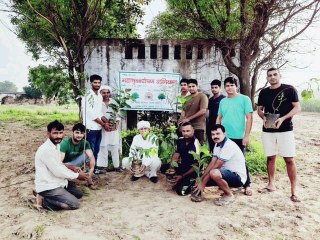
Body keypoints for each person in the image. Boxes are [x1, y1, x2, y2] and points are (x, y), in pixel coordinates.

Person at [257, 67, 301, 202]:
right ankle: (271, 185)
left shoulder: (289, 89)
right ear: (267, 78)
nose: (272, 77)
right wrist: (263, 118)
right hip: (268, 130)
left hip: (286, 129)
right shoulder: (263, 92)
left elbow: (297, 108)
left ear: (280, 75)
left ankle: (294, 191)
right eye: (269, 75)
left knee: (289, 159)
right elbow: (259, 110)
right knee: (270, 158)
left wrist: (283, 118)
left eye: (275, 74)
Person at [34, 120, 88, 211]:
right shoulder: (46, 150)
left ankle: (46, 195)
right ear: (48, 134)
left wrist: (71, 167)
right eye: (55, 133)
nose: (58, 136)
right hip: (49, 185)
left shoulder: (57, 145)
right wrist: (77, 176)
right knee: (75, 204)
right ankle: (44, 200)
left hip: (58, 181)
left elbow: (58, 164)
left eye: (60, 133)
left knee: (79, 194)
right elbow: (58, 171)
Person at [193, 124, 247, 206]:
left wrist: (203, 183)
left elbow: (216, 166)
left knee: (214, 173)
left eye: (218, 134)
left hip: (237, 177)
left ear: (224, 134)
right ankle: (200, 190)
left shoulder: (228, 145)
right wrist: (201, 179)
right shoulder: (217, 145)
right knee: (202, 178)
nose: (215, 136)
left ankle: (229, 194)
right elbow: (212, 163)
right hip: (225, 173)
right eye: (213, 134)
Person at [216, 76, 253, 196]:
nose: (229, 87)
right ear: (224, 87)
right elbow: (219, 117)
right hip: (225, 137)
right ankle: (226, 184)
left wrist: (246, 136)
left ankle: (247, 184)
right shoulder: (223, 101)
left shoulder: (244, 99)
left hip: (238, 136)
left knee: (241, 160)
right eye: (227, 85)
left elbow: (249, 118)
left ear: (236, 86)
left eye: (232, 85)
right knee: (224, 161)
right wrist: (217, 132)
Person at [161, 122, 200, 195]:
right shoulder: (181, 140)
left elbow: (196, 165)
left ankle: (191, 182)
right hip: (182, 166)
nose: (185, 133)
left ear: (193, 130)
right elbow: (176, 155)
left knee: (181, 192)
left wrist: (182, 176)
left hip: (191, 171)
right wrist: (172, 168)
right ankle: (177, 178)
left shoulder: (196, 144)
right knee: (163, 167)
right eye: (183, 131)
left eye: (188, 131)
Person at [81, 74, 108, 174]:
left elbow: (99, 113)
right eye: (95, 82)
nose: (97, 84)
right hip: (90, 128)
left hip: (98, 127)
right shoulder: (88, 96)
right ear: (91, 83)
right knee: (90, 150)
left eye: (99, 83)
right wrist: (103, 124)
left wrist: (106, 121)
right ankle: (88, 170)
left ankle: (94, 168)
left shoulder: (99, 96)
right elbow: (91, 114)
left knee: (96, 150)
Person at [60, 123, 96, 189]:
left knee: (88, 155)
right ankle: (76, 177)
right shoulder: (65, 143)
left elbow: (91, 157)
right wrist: (72, 168)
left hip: (76, 164)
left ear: (84, 134)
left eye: (82, 133)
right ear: (73, 132)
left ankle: (89, 180)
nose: (79, 135)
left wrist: (91, 170)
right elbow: (59, 163)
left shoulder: (85, 143)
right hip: (65, 165)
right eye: (77, 132)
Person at [97, 85, 121, 171]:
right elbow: (97, 115)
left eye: (107, 92)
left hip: (113, 129)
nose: (106, 94)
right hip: (102, 128)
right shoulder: (98, 103)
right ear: (100, 93)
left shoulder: (114, 102)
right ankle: (103, 166)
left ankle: (116, 166)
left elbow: (118, 115)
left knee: (114, 146)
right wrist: (104, 124)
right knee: (103, 147)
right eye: (104, 92)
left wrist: (116, 125)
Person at [179, 78, 208, 144]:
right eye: (189, 86)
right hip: (187, 128)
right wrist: (180, 121)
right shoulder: (186, 98)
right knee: (187, 147)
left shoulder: (202, 96)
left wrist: (188, 119)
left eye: (193, 86)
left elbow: (203, 111)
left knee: (198, 148)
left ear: (197, 86)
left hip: (198, 127)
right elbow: (183, 111)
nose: (191, 88)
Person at [207, 79, 225, 152]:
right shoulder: (210, 100)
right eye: (212, 87)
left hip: (220, 126)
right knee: (212, 146)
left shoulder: (224, 99)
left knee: (221, 145)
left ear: (220, 88)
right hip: (210, 126)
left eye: (216, 87)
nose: (213, 89)